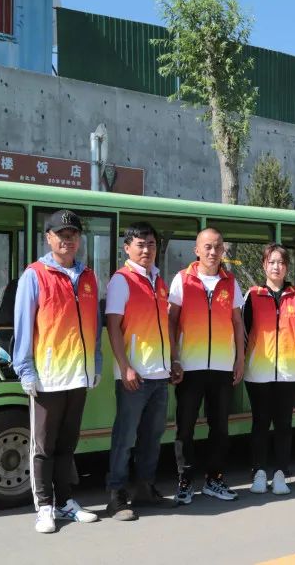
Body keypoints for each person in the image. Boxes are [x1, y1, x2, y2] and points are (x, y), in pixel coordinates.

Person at [14, 209, 102, 534]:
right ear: (48, 238)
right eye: (61, 234)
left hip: (78, 375)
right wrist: (25, 370)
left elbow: (95, 325)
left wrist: (96, 363)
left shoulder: (88, 277)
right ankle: (44, 507)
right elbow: (23, 326)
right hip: (48, 376)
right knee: (44, 447)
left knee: (67, 444)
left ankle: (65, 502)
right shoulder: (35, 275)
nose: (68, 239)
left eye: (73, 234)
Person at [168, 228, 246, 504]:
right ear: (197, 250)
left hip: (223, 367)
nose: (213, 252)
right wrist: (174, 358)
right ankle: (185, 480)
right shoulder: (182, 279)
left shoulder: (231, 282)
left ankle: (215, 479)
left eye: (218, 247)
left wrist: (240, 359)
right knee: (185, 427)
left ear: (223, 250)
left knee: (220, 427)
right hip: (190, 366)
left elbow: (237, 322)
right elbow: (171, 321)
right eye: (208, 247)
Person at [103, 222, 175, 521]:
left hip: (159, 373)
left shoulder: (158, 280)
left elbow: (163, 326)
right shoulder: (122, 281)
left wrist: (173, 362)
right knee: (125, 437)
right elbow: (113, 326)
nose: (147, 250)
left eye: (151, 244)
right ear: (127, 248)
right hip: (135, 375)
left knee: (152, 436)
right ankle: (116, 495)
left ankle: (145, 487)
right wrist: (125, 367)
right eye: (140, 244)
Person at [241, 243, 295, 495]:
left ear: (287, 267)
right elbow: (245, 331)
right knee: (260, 422)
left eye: (281, 262)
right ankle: (259, 472)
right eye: (271, 262)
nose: (276, 267)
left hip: (289, 371)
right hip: (259, 370)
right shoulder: (252, 295)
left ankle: (281, 473)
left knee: (284, 423)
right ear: (264, 266)